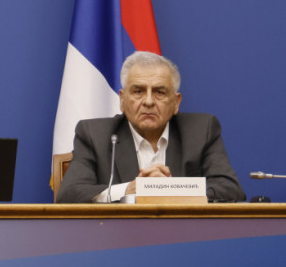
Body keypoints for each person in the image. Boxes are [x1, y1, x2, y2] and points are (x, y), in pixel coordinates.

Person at [57, 51, 244, 203]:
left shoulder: (201, 131)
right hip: (118, 235)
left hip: (185, 234)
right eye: (138, 91)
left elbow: (230, 190)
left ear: (176, 103)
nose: (148, 101)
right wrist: (128, 190)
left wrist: (171, 190)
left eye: (159, 92)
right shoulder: (95, 135)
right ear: (122, 100)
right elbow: (69, 195)